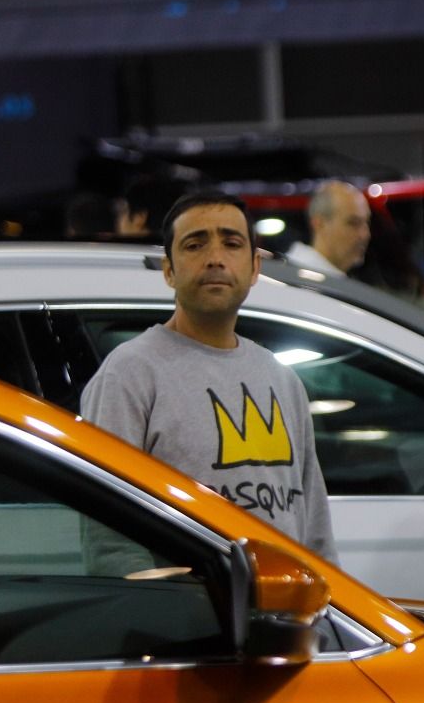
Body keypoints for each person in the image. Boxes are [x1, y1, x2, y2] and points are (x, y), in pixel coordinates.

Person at [80, 191, 336, 561]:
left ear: (254, 269)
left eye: (231, 244)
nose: (215, 259)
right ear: (169, 270)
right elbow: (109, 540)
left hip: (285, 616)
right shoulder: (129, 375)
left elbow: (315, 531)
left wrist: (323, 614)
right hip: (186, 616)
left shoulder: (280, 379)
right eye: (195, 245)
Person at [287, 180, 372, 277]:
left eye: (367, 223)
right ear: (319, 224)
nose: (365, 235)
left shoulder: (333, 282)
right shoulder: (300, 281)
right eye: (353, 223)